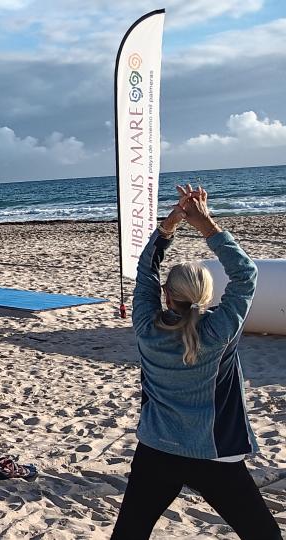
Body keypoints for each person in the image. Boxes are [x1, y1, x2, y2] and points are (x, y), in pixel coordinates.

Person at [111, 185, 279, 539]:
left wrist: (167, 227)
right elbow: (246, 274)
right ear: (208, 294)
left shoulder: (147, 327)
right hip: (213, 454)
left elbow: (145, 271)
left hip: (157, 448)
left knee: (130, 533)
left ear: (166, 296)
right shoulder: (220, 329)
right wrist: (207, 225)